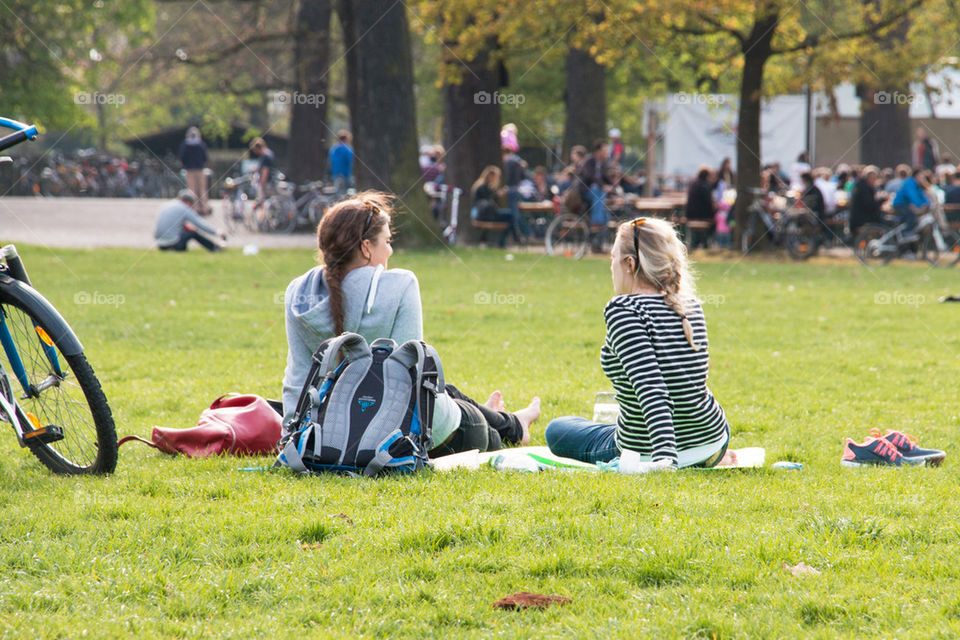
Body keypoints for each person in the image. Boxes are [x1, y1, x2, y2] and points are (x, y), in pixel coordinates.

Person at [281, 191, 540, 455]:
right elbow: (411, 380)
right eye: (387, 241)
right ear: (366, 248)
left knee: (448, 392)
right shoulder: (401, 284)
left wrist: (293, 439)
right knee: (480, 429)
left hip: (327, 437)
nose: (391, 250)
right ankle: (511, 424)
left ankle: (511, 421)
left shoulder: (299, 295)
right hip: (407, 439)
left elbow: (298, 380)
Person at [544, 217, 730, 472]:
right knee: (599, 426)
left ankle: (666, 449)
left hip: (650, 447)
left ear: (629, 264)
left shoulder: (625, 310)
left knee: (557, 429)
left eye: (613, 259)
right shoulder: (691, 305)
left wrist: (665, 457)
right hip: (713, 440)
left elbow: (653, 389)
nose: (611, 267)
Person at [154, 189, 225, 252]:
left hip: (160, 245)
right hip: (173, 243)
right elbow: (200, 224)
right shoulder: (184, 208)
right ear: (188, 202)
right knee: (192, 232)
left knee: (188, 230)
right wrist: (216, 232)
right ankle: (214, 248)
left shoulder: (167, 205)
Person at [471, 166, 520, 248]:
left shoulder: (483, 186)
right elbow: (488, 201)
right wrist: (497, 195)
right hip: (486, 215)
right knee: (511, 216)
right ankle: (511, 239)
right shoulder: (482, 187)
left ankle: (508, 239)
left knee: (510, 219)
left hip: (487, 214)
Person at [579, 139, 613, 251]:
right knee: (597, 189)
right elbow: (591, 177)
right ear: (598, 151)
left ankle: (598, 244)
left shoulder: (603, 164)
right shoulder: (589, 162)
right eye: (605, 151)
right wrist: (603, 186)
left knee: (606, 215)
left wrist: (614, 188)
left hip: (598, 197)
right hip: (585, 193)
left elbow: (606, 179)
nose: (607, 153)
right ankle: (595, 222)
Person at [179, 126, 210, 215]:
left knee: (191, 190)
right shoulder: (201, 144)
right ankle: (204, 207)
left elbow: (182, 157)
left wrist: (185, 165)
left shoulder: (185, 145)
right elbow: (205, 157)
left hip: (189, 169)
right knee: (202, 189)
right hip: (200, 169)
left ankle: (194, 208)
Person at [892, 167, 930, 238]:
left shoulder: (918, 185)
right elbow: (913, 196)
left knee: (914, 219)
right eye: (922, 176)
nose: (923, 178)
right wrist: (920, 205)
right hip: (900, 204)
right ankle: (906, 233)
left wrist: (928, 204)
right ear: (917, 175)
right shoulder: (910, 182)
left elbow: (922, 196)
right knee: (911, 215)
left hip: (906, 204)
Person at [849, 166, 886, 237]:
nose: (875, 181)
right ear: (868, 178)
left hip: (858, 218)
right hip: (861, 220)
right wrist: (881, 200)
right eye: (874, 179)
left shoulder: (860, 185)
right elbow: (870, 206)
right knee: (886, 223)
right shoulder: (864, 188)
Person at [685, 167, 716, 249]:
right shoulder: (705, 186)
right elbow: (708, 205)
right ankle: (705, 243)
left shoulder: (694, 184)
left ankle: (697, 242)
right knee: (716, 221)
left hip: (690, 215)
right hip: (701, 216)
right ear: (706, 176)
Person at [249, 137, 276, 206]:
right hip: (272, 181)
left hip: (267, 182)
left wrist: (261, 184)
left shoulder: (265, 156)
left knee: (262, 200)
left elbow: (265, 171)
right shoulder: (270, 153)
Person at [329, 130, 355, 196]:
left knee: (337, 192)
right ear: (346, 139)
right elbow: (350, 161)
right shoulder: (347, 149)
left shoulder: (333, 149)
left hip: (335, 173)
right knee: (346, 193)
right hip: (345, 174)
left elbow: (330, 161)